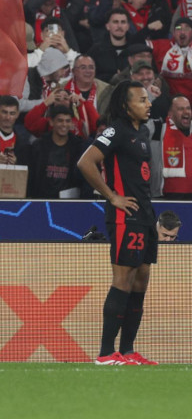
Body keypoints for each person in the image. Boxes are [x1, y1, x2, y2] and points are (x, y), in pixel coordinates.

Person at [77, 80, 159, 365]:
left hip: (145, 214)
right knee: (123, 279)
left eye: (148, 99)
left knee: (141, 280)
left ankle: (127, 351)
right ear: (126, 105)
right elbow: (86, 162)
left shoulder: (143, 131)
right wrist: (112, 196)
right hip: (126, 217)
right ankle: (104, 353)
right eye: (141, 100)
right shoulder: (117, 130)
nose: (148, 104)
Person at [159, 95, 192, 199]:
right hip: (172, 194)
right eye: (180, 109)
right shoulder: (161, 129)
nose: (186, 112)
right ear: (170, 113)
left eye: (188, 108)